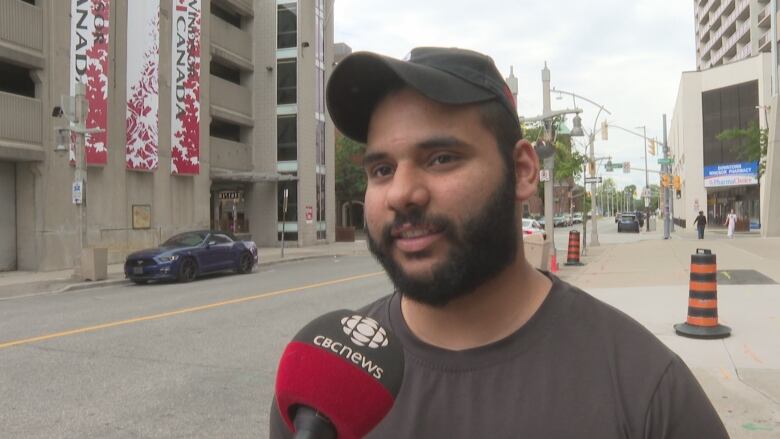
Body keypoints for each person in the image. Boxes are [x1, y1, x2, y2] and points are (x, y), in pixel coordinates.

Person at [270, 47, 728, 438]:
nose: (401, 193)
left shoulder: (644, 388)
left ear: (524, 171)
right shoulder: (322, 385)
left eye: (441, 158)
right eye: (382, 170)